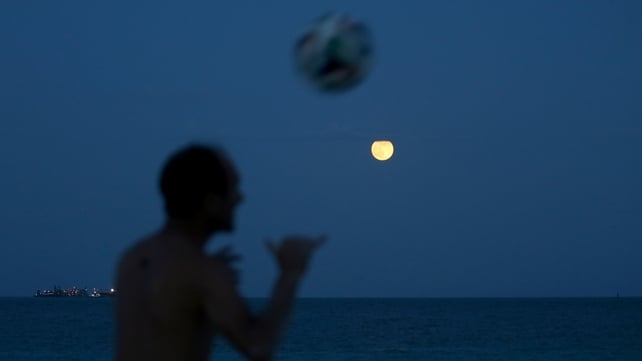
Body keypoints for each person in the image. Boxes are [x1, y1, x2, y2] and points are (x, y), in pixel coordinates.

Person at [114, 143, 326, 361]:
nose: (240, 198)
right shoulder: (203, 272)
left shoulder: (132, 259)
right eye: (233, 189)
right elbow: (258, 346)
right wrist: (290, 273)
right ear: (211, 202)